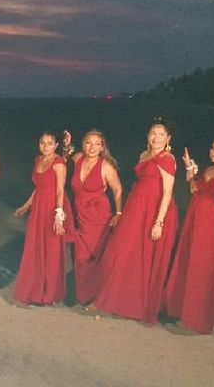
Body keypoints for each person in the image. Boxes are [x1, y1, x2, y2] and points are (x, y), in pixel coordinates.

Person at [88, 117, 178, 324]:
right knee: (121, 250)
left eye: (161, 135)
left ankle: (137, 305)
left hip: (156, 210)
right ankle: (112, 300)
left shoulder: (167, 159)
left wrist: (159, 222)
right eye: (153, 133)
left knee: (146, 257)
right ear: (148, 135)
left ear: (168, 138)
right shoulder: (144, 154)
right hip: (136, 207)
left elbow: (167, 193)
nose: (156, 138)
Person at [165, 139, 214, 334]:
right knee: (194, 264)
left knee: (207, 268)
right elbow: (193, 189)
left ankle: (202, 317)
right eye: (213, 148)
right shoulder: (209, 171)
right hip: (198, 223)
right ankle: (188, 312)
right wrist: (189, 168)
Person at [13, 132, 74, 305]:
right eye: (42, 143)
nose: (45, 146)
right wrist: (25, 206)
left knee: (52, 250)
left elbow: (60, 190)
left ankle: (50, 294)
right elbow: (38, 189)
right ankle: (35, 290)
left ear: (56, 146)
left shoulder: (59, 163)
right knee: (35, 247)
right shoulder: (38, 160)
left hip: (52, 208)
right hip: (38, 208)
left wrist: (59, 216)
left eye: (49, 143)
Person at [64, 130, 122, 306]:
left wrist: (118, 213)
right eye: (89, 142)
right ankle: (84, 294)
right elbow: (66, 159)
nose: (92, 147)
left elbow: (118, 190)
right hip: (79, 213)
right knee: (78, 255)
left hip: (98, 217)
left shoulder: (106, 167)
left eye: (97, 144)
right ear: (84, 144)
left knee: (91, 256)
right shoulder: (78, 159)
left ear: (102, 147)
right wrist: (67, 147)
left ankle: (93, 294)